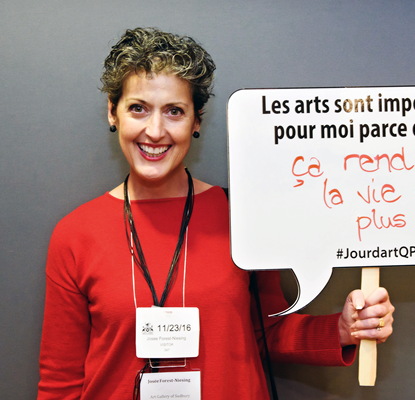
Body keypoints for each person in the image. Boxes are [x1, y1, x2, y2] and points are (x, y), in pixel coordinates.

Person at [37, 27, 394, 400]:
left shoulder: (243, 215)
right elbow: (60, 382)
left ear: (197, 121)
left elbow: (265, 332)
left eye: (174, 111)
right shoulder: (75, 234)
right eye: (138, 108)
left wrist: (343, 329)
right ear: (113, 113)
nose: (155, 131)